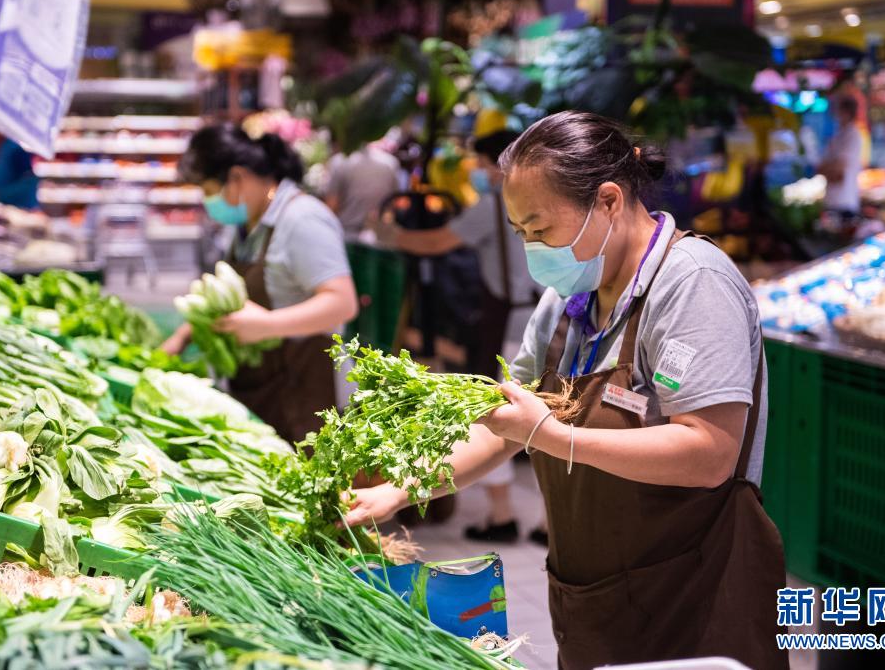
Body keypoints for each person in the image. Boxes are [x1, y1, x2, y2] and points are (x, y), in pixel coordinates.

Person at [345, 111, 788, 670]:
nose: (532, 248)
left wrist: (554, 437)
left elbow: (709, 453)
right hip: (595, 601)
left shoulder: (692, 283)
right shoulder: (566, 301)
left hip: (694, 602)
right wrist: (401, 491)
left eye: (541, 228)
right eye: (520, 233)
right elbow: (504, 430)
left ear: (607, 201)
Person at [375, 129, 542, 544]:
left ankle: (502, 514)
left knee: (498, 412)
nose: (482, 173)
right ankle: (544, 522)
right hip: (530, 317)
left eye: (485, 164)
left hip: (511, 326)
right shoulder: (535, 201)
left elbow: (436, 241)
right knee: (538, 414)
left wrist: (388, 235)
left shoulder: (495, 204)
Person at [162, 125, 358, 443]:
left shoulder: (301, 219)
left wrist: (266, 324)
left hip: (309, 395)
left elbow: (341, 302)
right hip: (269, 391)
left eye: (209, 189)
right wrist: (183, 337)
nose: (208, 200)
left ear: (237, 178)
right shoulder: (247, 226)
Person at [325, 143, 402, 237]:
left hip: (346, 236)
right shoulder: (390, 162)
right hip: (380, 238)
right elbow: (395, 203)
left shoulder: (339, 161)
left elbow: (331, 207)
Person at [818, 95, 864, 222]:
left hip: (845, 201)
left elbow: (838, 168)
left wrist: (827, 169)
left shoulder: (853, 134)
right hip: (832, 199)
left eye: (839, 110)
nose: (835, 113)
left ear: (846, 112)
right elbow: (822, 167)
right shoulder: (839, 134)